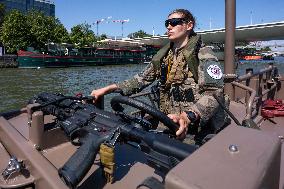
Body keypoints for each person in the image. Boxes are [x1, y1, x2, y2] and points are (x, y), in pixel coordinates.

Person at [91, 9, 227, 141]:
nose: (169, 26)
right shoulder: (164, 56)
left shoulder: (203, 53)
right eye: (167, 23)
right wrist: (108, 89)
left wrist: (187, 116)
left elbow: (214, 93)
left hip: (196, 125)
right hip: (169, 121)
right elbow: (141, 79)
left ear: (189, 25)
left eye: (174, 22)